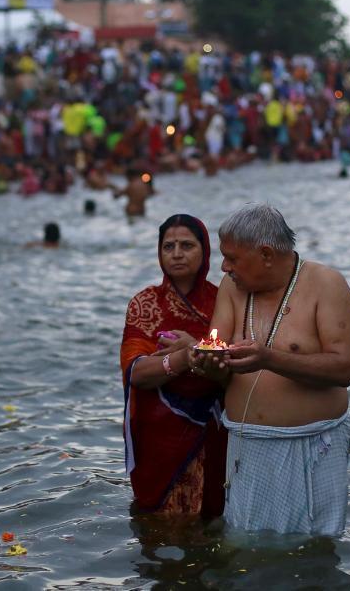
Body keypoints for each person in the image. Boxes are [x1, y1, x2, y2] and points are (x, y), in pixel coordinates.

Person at [189, 203, 350, 536]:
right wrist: (206, 363)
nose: (224, 267)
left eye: (232, 258)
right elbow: (218, 361)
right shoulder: (232, 289)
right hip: (248, 446)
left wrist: (269, 359)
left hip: (312, 445)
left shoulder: (326, 284)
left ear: (266, 254)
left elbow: (344, 369)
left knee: (314, 548)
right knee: (246, 546)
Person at [120, 214, 227, 517]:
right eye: (169, 246)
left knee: (214, 522)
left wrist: (191, 347)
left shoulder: (223, 301)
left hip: (216, 429)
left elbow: (234, 361)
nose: (177, 254)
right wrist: (183, 358)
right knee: (159, 527)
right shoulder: (145, 304)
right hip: (159, 437)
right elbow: (136, 372)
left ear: (205, 250)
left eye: (186, 245)